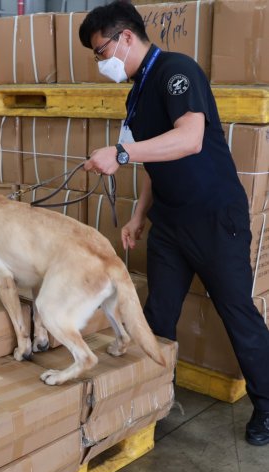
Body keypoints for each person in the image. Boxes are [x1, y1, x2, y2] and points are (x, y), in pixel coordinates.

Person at [80, 0, 269, 446]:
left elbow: (188, 138)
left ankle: (267, 405)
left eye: (101, 51)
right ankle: (150, 396)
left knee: (236, 312)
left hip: (213, 217)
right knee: (157, 313)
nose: (101, 62)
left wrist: (121, 153)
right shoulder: (136, 92)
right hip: (169, 221)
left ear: (126, 37)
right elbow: (156, 161)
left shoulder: (176, 72)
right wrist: (139, 216)